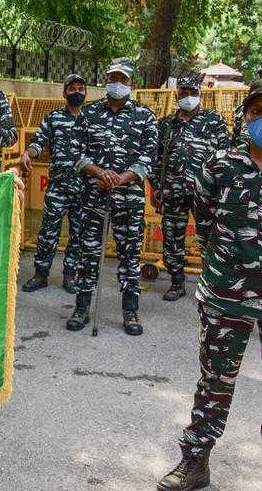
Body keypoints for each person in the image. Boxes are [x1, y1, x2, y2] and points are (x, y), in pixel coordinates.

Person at [157, 79, 262, 491]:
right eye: (256, 111)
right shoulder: (219, 165)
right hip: (227, 291)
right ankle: (195, 464)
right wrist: (226, 266)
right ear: (244, 117)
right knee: (214, 382)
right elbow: (206, 222)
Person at [69, 58, 158, 335]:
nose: (117, 83)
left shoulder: (145, 116)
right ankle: (82, 308)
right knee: (88, 254)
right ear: (106, 81)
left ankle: (130, 312)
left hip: (129, 200)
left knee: (130, 256)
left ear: (132, 83)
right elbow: (76, 153)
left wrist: (122, 178)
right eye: (112, 78)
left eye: (123, 79)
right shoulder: (89, 114)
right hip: (94, 197)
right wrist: (100, 172)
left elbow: (149, 157)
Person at [149, 77, 229, 302]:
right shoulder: (166, 125)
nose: (188, 97)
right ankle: (176, 283)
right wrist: (156, 187)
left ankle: (211, 285)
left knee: (210, 239)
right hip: (173, 192)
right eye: (183, 92)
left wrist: (223, 189)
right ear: (177, 95)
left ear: (199, 93)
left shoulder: (214, 121)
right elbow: (156, 159)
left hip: (206, 193)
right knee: (172, 238)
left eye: (192, 91)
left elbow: (227, 156)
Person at [21, 74, 87, 294]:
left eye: (80, 88)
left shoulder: (92, 119)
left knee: (79, 234)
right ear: (64, 92)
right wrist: (28, 153)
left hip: (84, 189)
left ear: (85, 92)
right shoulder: (53, 118)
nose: (76, 92)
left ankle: (71, 275)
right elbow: (39, 142)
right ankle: (41, 274)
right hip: (58, 187)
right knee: (48, 232)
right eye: (72, 89)